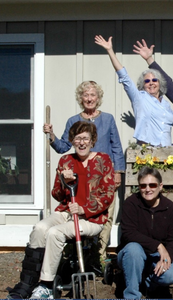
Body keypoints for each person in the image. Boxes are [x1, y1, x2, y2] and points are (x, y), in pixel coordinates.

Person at [7, 121, 115, 299]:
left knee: (55, 233)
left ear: (92, 140)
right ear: (72, 141)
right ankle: (28, 282)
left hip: (92, 219)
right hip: (66, 212)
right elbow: (57, 194)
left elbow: (108, 195)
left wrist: (83, 208)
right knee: (40, 228)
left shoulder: (103, 160)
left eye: (85, 138)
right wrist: (65, 182)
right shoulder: (66, 161)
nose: (81, 142)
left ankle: (46, 286)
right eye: (77, 138)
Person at [43, 80, 125, 264]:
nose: (89, 99)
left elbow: (117, 147)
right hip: (80, 181)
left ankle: (100, 256)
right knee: (76, 217)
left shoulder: (108, 119)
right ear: (81, 98)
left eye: (92, 95)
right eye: (86, 95)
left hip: (104, 178)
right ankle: (77, 256)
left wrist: (118, 172)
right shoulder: (73, 120)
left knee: (106, 215)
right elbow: (63, 146)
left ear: (98, 98)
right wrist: (52, 135)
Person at [95, 35, 173, 147]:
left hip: (167, 155)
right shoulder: (139, 98)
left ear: (160, 83)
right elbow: (124, 77)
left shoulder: (166, 105)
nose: (151, 83)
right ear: (142, 85)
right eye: (147, 81)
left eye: (154, 80)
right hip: (146, 154)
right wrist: (110, 50)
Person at [116, 166, 173, 299]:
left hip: (155, 255)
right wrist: (158, 245)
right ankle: (132, 295)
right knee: (134, 249)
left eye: (152, 185)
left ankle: (146, 283)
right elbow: (129, 233)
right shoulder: (131, 203)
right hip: (131, 254)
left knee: (171, 275)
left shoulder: (168, 206)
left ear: (160, 186)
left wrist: (167, 256)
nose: (147, 189)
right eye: (143, 185)